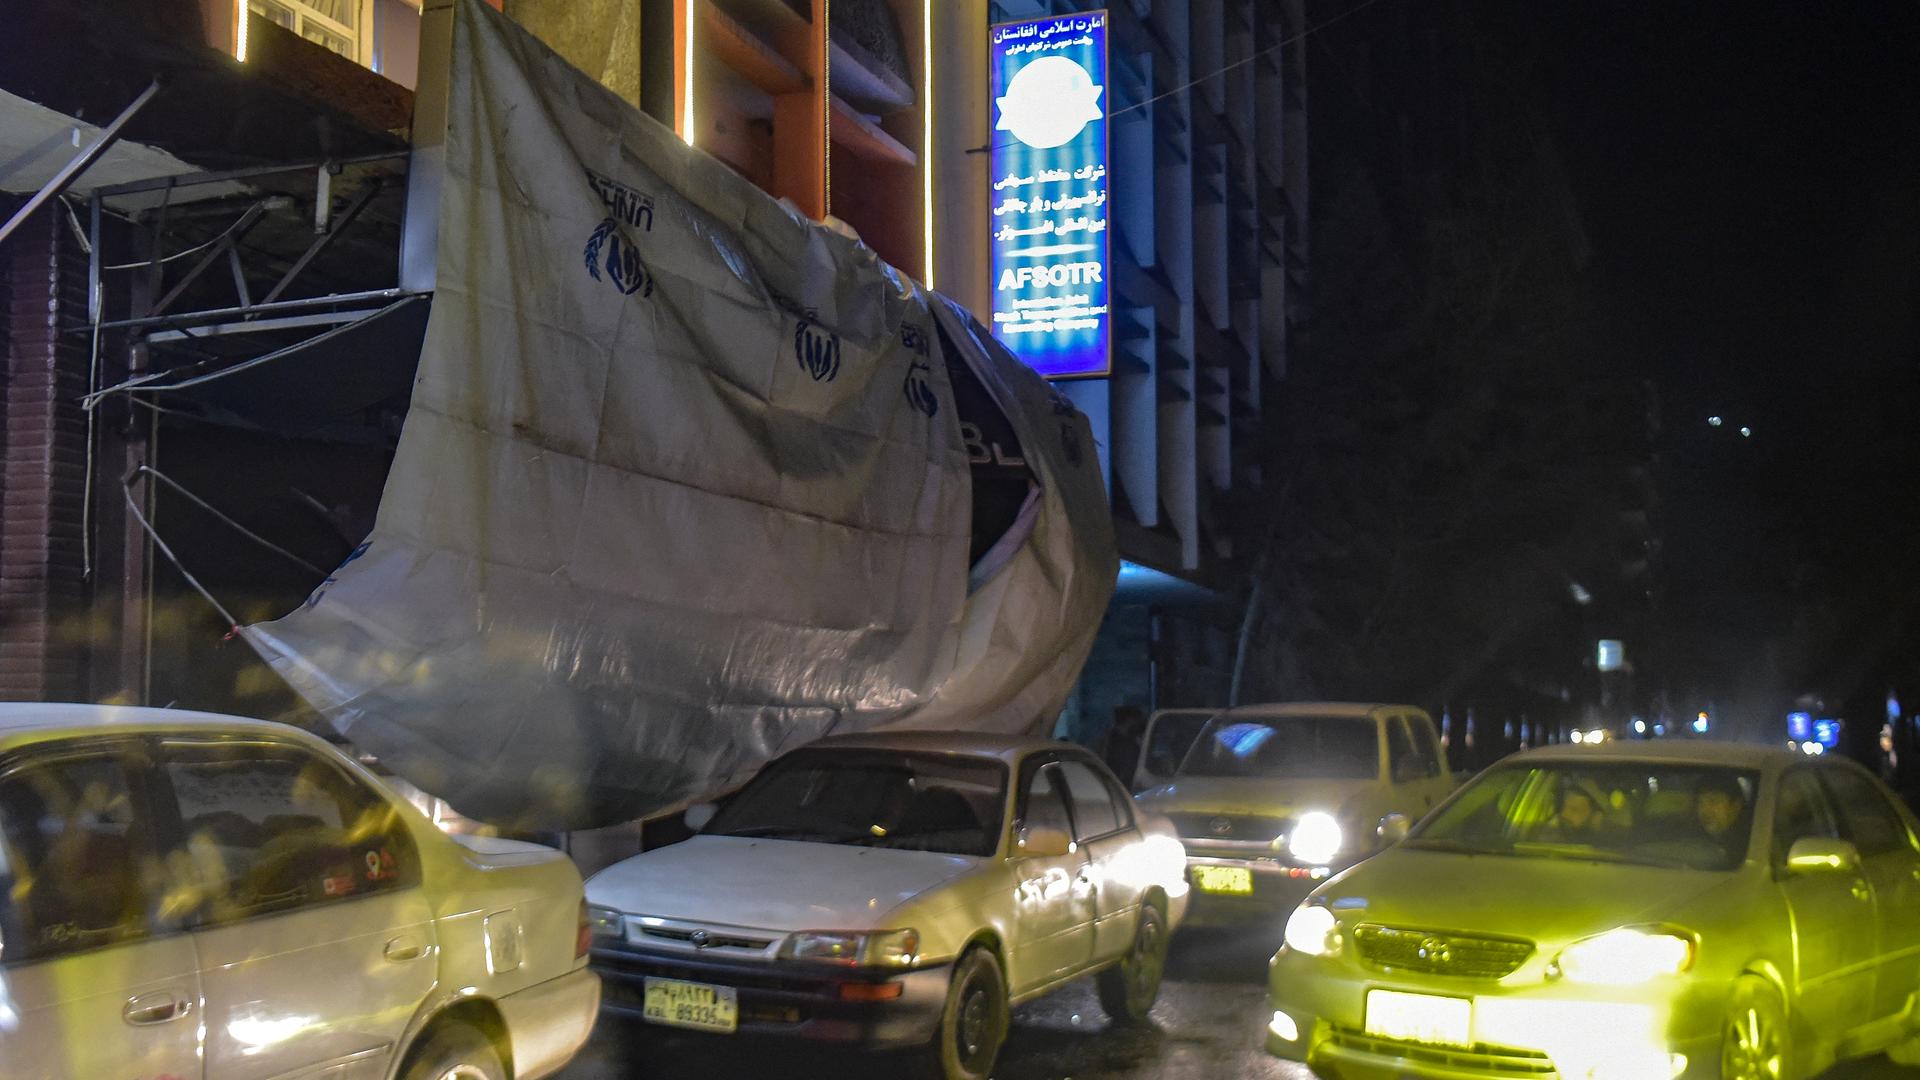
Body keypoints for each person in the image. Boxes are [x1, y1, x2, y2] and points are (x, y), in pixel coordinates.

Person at [1691, 774, 1748, 853]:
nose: (1704, 811)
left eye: (1713, 801)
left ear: (1736, 805)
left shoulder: (1750, 842)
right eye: (1700, 803)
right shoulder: (1693, 836)